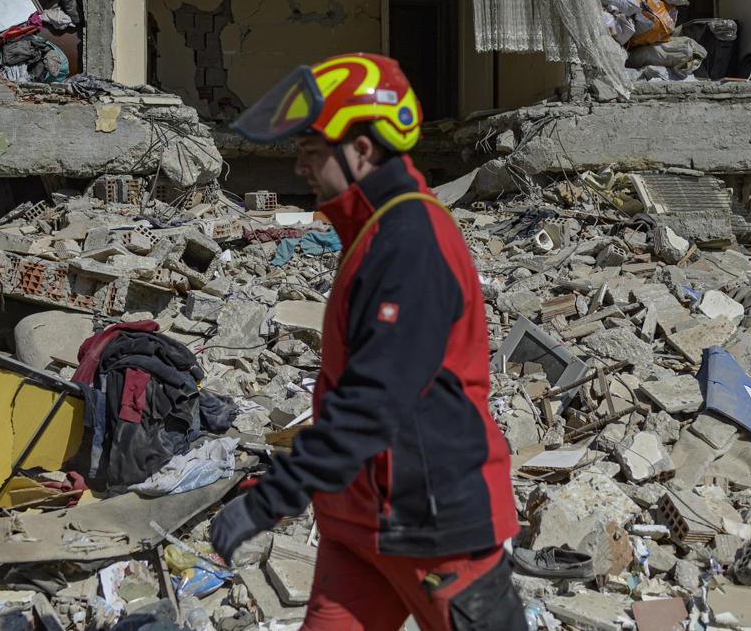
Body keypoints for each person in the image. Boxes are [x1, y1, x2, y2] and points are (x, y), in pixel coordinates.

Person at [209, 53, 526, 630]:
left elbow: (377, 395)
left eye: (311, 151)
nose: (300, 166)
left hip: (434, 527)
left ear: (361, 149)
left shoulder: (412, 241)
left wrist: (272, 497)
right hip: (359, 524)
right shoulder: (374, 232)